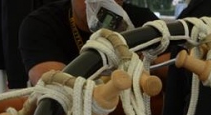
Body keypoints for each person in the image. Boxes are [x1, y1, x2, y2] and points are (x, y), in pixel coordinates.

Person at [19, 0, 159, 86]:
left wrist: (143, 55)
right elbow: (54, 84)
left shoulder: (144, 22)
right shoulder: (42, 24)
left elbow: (168, 67)